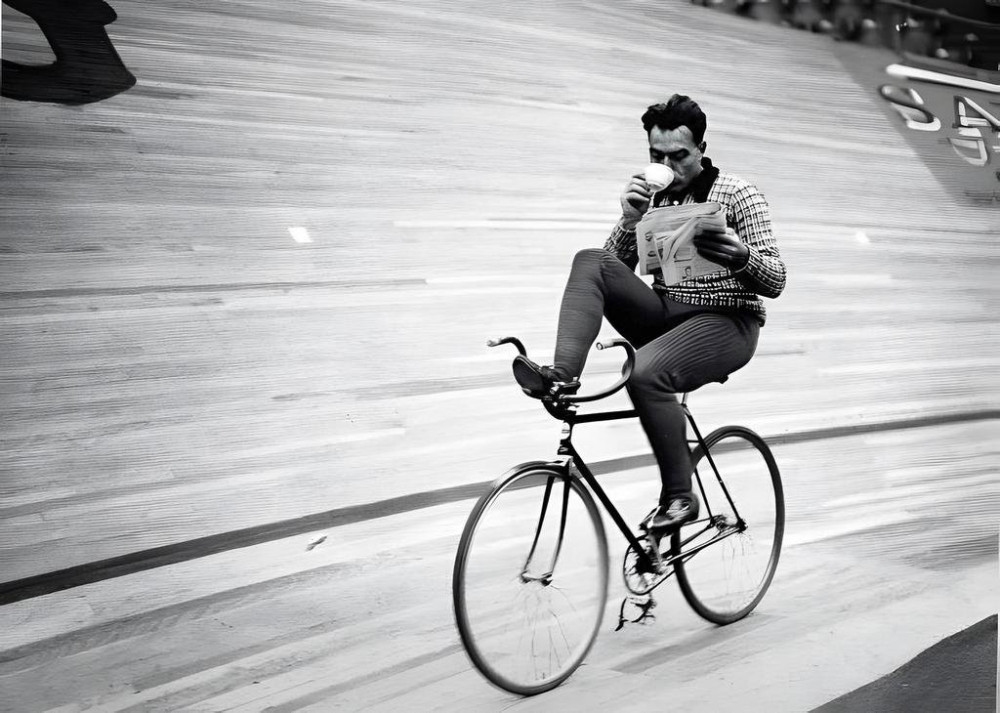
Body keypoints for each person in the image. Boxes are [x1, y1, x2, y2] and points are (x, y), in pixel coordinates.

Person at [512, 94, 786, 532]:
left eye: (679, 156)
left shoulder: (738, 193)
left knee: (642, 374)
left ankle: (680, 497)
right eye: (657, 156)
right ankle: (561, 375)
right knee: (589, 259)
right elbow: (610, 274)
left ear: (701, 148)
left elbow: (776, 281)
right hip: (666, 313)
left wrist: (740, 257)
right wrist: (628, 219)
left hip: (727, 321)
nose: (668, 166)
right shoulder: (651, 197)